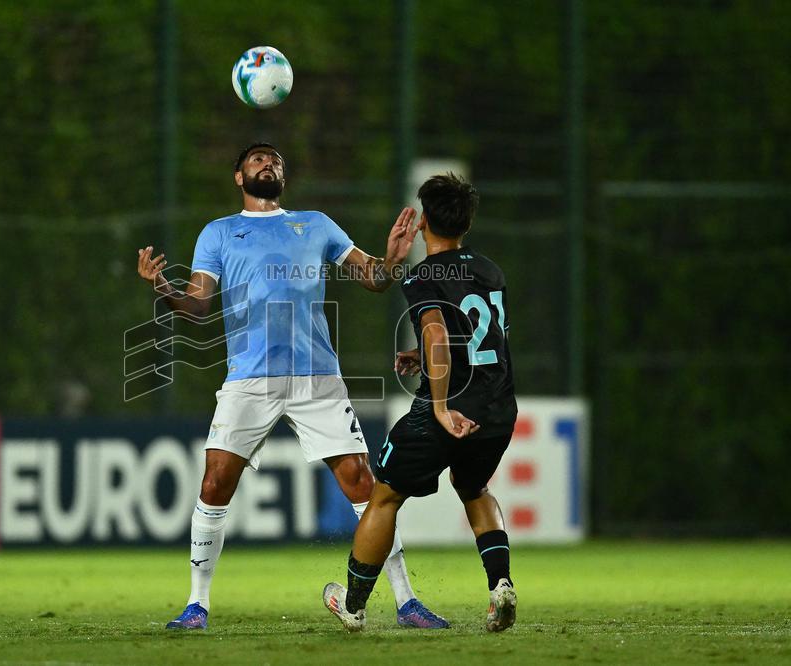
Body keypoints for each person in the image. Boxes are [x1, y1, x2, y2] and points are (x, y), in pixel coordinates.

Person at [136, 142, 447, 630]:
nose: (268, 163)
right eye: (258, 159)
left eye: (275, 160)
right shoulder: (218, 233)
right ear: (239, 176)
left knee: (363, 483)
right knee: (215, 482)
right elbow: (198, 308)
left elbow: (373, 278)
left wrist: (389, 260)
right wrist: (163, 289)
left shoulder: (316, 224)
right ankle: (197, 605)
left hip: (315, 376)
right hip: (248, 378)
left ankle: (407, 601)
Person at [322, 174, 519, 633]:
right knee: (474, 489)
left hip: (448, 410)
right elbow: (480, 337)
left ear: (424, 221)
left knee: (385, 496)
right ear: (466, 223)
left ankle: (352, 606)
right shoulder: (491, 270)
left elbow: (435, 332)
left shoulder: (422, 273)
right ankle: (501, 584)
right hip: (497, 410)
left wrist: (439, 406)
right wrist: (426, 358)